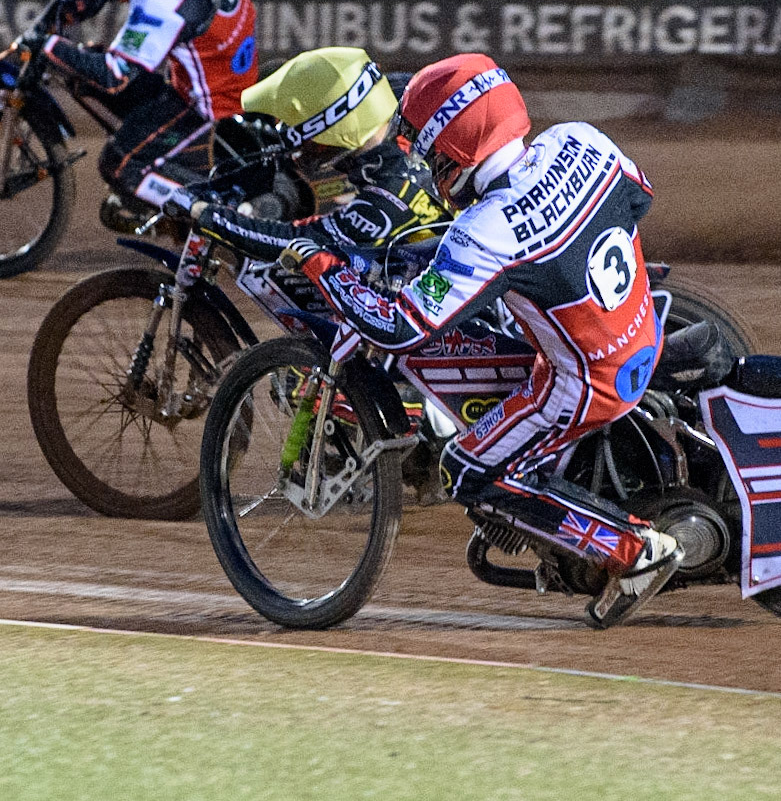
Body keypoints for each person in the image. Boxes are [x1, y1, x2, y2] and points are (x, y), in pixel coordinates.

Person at [279, 53, 682, 628]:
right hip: (643, 326)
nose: (428, 167)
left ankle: (634, 550)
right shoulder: (582, 139)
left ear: (457, 146)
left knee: (467, 470)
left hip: (584, 383)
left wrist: (327, 269)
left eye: (430, 152)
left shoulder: (482, 231)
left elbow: (399, 327)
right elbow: (638, 198)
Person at [23, 0, 258, 210]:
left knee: (119, 163)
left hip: (204, 101)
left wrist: (46, 46)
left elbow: (113, 75)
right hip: (235, 64)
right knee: (88, 61)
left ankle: (225, 212)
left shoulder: (159, 5)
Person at [179, 46, 450, 264]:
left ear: (339, 129)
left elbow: (299, 240)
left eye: (310, 140)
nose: (303, 150)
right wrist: (213, 187)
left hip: (439, 286)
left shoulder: (391, 193)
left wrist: (214, 219)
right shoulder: (395, 94)